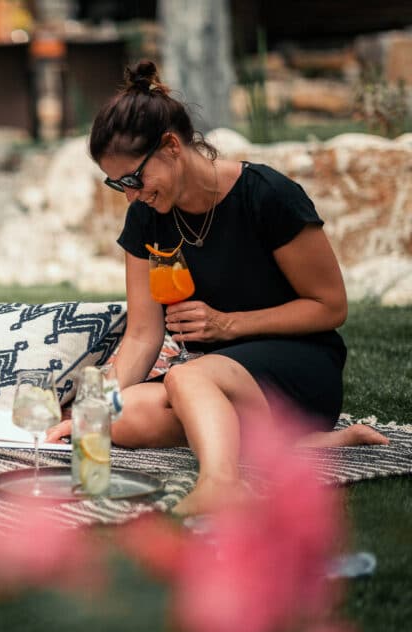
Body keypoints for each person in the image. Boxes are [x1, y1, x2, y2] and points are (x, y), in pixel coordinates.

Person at [48, 60, 387, 516]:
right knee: (120, 416)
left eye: (134, 179)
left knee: (187, 376)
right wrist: (88, 414)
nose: (130, 195)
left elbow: (330, 306)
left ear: (170, 146)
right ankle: (294, 444)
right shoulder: (147, 217)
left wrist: (228, 324)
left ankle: (222, 482)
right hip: (216, 378)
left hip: (301, 366)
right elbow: (143, 335)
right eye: (116, 184)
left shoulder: (267, 195)